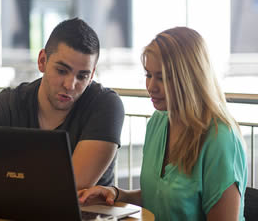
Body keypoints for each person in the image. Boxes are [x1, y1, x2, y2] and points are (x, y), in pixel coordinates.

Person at [78, 27, 248, 221]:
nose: (151, 87)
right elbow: (159, 196)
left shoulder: (221, 139)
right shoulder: (158, 121)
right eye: (148, 75)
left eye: (163, 77)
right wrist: (116, 194)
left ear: (190, 78)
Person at [0, 18, 124, 198]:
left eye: (82, 76)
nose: (70, 85)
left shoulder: (105, 105)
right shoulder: (5, 105)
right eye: (61, 70)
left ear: (91, 76)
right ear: (42, 61)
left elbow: (71, 188)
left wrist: (2, 184)